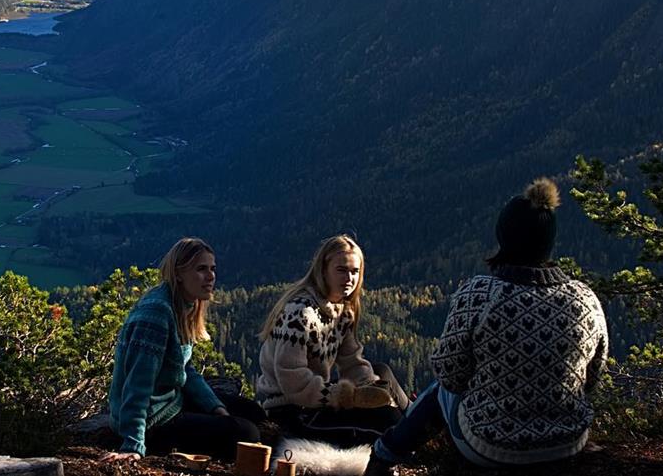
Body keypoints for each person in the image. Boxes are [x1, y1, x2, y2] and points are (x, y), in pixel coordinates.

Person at [363, 178, 609, 476]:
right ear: (549, 241)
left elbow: (450, 375)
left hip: (490, 445)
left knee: (439, 391)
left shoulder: (480, 294)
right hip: (568, 442)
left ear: (503, 237)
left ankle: (383, 455)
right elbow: (592, 378)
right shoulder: (585, 298)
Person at [103, 237, 263, 461]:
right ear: (178, 274)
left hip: (171, 401)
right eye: (201, 269)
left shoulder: (184, 305)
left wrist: (216, 408)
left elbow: (185, 369)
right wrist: (133, 444)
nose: (211, 276)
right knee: (246, 434)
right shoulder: (156, 314)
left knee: (253, 412)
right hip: (153, 420)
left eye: (212, 269)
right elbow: (137, 385)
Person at [256, 234, 411, 447]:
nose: (349, 278)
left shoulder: (342, 311)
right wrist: (341, 396)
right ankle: (414, 433)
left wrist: (372, 388)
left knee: (381, 372)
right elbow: (292, 379)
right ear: (323, 270)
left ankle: (415, 417)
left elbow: (352, 362)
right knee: (388, 421)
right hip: (292, 410)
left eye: (354, 271)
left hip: (316, 400)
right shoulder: (300, 312)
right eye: (341, 270)